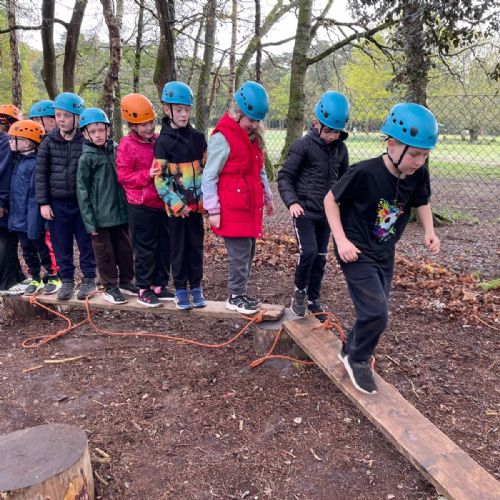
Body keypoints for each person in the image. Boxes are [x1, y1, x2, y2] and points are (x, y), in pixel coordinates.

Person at [324, 102, 441, 395]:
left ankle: (349, 348)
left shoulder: (418, 175)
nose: (419, 161)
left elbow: (422, 201)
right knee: (377, 312)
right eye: (414, 154)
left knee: (375, 310)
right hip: (355, 250)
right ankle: (357, 358)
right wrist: (341, 240)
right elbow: (330, 200)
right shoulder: (364, 172)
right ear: (391, 144)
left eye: (425, 155)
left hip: (384, 252)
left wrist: (429, 231)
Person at [202, 81, 274, 315]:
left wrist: (268, 196)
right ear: (238, 112)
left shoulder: (253, 138)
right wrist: (213, 210)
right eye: (250, 120)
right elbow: (209, 176)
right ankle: (235, 296)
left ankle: (240, 292)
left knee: (248, 252)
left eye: (257, 121)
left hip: (249, 208)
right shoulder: (223, 138)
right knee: (240, 255)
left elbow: (260, 171)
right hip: (232, 209)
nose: (254, 125)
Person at [278, 91, 350, 319]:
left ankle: (313, 299)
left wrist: (344, 206)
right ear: (316, 122)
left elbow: (344, 180)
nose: (331, 136)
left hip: (327, 214)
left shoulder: (341, 149)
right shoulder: (303, 146)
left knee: (320, 257)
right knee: (308, 251)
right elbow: (285, 176)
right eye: (328, 131)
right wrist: (292, 202)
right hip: (304, 211)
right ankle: (299, 292)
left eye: (336, 132)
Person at [35, 92, 97, 301]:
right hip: (57, 203)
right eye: (58, 115)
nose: (61, 120)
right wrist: (43, 202)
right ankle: (67, 279)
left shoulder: (86, 140)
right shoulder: (48, 141)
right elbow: (41, 173)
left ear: (77, 117)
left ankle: (89, 279)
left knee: (86, 243)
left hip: (82, 203)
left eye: (66, 116)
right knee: (61, 244)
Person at [154, 81, 208, 310]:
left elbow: (207, 171)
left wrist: (205, 201)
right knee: (178, 248)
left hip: (196, 208)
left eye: (187, 110)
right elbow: (160, 179)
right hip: (177, 211)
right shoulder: (163, 142)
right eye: (179, 110)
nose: (184, 114)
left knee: (195, 247)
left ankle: (195, 286)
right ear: (167, 110)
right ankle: (179, 289)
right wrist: (178, 204)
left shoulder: (198, 138)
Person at [117, 93, 173, 308]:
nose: (149, 127)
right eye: (143, 124)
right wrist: (147, 175)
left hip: (162, 202)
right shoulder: (126, 145)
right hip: (140, 205)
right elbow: (124, 176)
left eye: (151, 122)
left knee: (164, 245)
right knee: (145, 248)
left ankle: (159, 284)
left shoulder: (158, 141)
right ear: (132, 126)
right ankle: (143, 287)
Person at [76, 108, 137, 305]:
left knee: (126, 251)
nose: (98, 135)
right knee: (105, 254)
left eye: (101, 130)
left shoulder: (117, 150)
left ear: (108, 130)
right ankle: (110, 287)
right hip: (100, 218)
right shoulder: (86, 158)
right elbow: (82, 191)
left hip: (122, 213)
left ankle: (126, 281)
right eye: (93, 131)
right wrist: (89, 222)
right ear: (85, 134)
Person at [7, 120, 62, 296]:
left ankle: (54, 276)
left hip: (33, 218)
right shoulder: (18, 160)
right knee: (27, 250)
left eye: (14, 138)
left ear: (26, 142)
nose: (10, 142)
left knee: (43, 248)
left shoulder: (36, 164)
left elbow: (35, 196)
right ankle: (35, 278)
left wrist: (34, 220)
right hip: (19, 218)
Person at [0, 104, 27, 294]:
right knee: (7, 240)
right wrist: (2, 200)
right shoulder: (5, 142)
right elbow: (4, 172)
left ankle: (16, 276)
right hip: (4, 201)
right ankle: (7, 282)